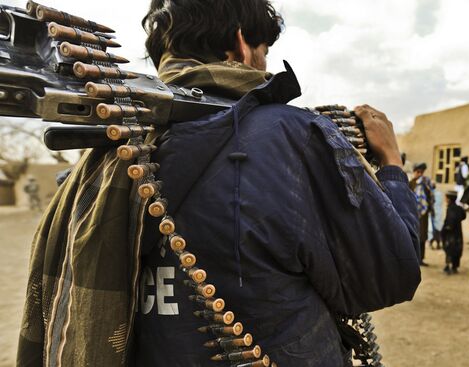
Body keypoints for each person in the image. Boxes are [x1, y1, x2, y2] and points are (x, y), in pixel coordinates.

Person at [18, 2, 421, 366]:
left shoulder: (106, 154)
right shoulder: (291, 135)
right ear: (241, 45)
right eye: (264, 52)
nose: (264, 65)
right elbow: (391, 274)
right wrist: (391, 163)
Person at [410, 163, 434, 266]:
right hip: (411, 213)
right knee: (412, 235)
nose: (419, 174)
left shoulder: (425, 184)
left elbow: (430, 197)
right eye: (417, 172)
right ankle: (413, 258)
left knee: (422, 236)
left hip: (423, 215)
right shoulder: (410, 183)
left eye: (421, 172)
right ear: (414, 172)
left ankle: (420, 258)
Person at [441, 190, 466, 274]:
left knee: (449, 249)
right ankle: (455, 266)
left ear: (449, 199)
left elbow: (450, 221)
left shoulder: (451, 208)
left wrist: (445, 230)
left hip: (450, 233)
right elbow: (464, 216)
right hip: (458, 232)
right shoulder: (458, 208)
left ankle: (448, 266)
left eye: (446, 197)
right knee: (457, 249)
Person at [429, 182, 444, 250]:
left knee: (431, 230)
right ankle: (438, 244)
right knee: (438, 229)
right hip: (438, 214)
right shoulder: (439, 193)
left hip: (433, 214)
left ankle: (431, 244)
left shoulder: (430, 193)